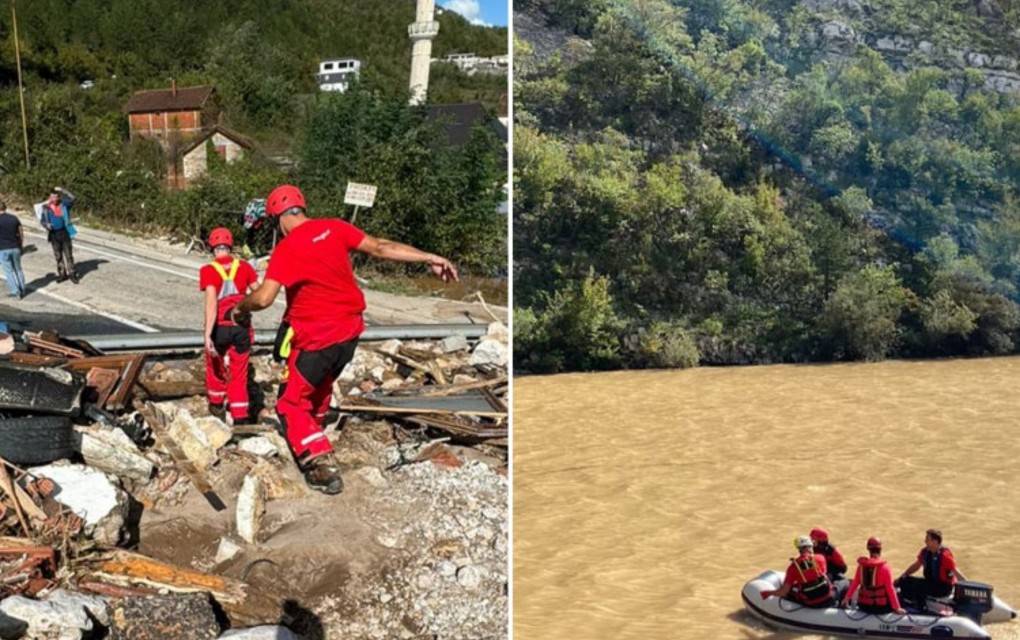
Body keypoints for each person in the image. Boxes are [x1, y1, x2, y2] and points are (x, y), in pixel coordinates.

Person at [230, 184, 458, 495]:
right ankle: (318, 426)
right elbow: (380, 246)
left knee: (289, 402)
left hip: (317, 336)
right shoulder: (334, 227)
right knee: (321, 382)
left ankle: (319, 462)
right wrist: (429, 256)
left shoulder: (286, 248)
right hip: (350, 331)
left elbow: (265, 297)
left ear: (277, 218)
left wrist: (240, 308)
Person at [200, 227, 260, 424]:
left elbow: (211, 302)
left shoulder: (209, 270)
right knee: (239, 373)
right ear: (231, 246)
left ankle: (216, 405)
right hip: (241, 328)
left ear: (213, 248)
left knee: (215, 367)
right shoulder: (244, 267)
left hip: (220, 328)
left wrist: (208, 334)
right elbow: (258, 294)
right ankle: (240, 417)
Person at [896, 529, 967, 608]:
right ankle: (906, 601)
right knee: (904, 580)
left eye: (927, 539)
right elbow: (916, 566)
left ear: (935, 541)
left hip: (943, 588)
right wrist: (902, 576)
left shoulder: (945, 557)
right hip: (931, 583)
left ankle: (921, 607)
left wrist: (967, 587)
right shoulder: (925, 552)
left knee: (920, 586)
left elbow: (957, 573)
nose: (925, 541)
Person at [761, 535, 835, 608]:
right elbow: (822, 574)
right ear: (809, 547)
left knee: (792, 592)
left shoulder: (792, 568)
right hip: (828, 597)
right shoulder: (821, 558)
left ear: (799, 549)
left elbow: (783, 592)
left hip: (811, 602)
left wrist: (769, 593)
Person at [842, 536, 905, 615]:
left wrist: (846, 599)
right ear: (880, 550)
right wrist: (897, 608)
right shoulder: (885, 568)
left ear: (868, 549)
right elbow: (890, 589)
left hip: (864, 606)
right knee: (899, 593)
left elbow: (855, 584)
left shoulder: (861, 566)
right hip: (880, 608)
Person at [40, 186, 79, 283]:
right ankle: (62, 274)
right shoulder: (45, 208)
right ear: (50, 197)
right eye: (52, 197)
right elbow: (42, 220)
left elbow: (73, 198)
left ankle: (72, 273)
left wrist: (62, 190)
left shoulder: (64, 204)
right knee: (58, 256)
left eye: (56, 197)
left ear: (59, 197)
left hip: (64, 232)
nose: (54, 199)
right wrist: (46, 225)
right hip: (53, 234)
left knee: (68, 255)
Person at [0, 200, 26, 299]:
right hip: (15, 247)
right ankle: (22, 288)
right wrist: (21, 245)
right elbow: (21, 232)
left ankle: (16, 291)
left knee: (9, 271)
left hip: (3, 249)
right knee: (18, 269)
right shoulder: (14, 218)